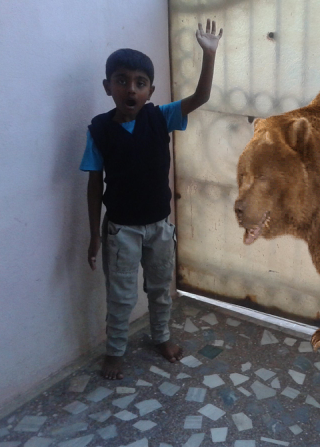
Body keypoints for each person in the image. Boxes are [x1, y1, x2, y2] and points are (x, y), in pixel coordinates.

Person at [80, 19, 223, 380]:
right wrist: (95, 235)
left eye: (140, 83)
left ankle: (161, 337)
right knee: (121, 296)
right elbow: (94, 185)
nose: (131, 88)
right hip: (120, 232)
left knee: (160, 290)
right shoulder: (99, 129)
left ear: (150, 90)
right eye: (122, 80)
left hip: (159, 227)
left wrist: (209, 55)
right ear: (108, 86)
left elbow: (201, 97)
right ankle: (115, 351)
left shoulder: (161, 117)